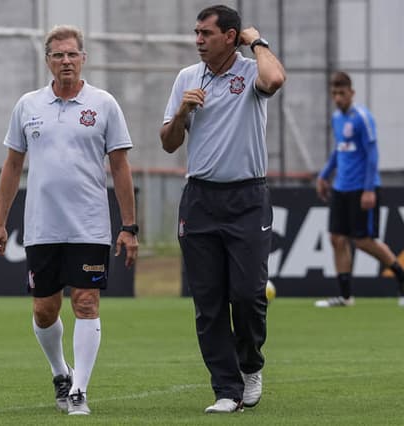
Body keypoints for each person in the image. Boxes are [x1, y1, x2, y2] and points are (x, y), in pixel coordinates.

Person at [0, 25, 138, 416]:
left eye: (72, 54)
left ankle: (79, 391)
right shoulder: (28, 105)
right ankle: (60, 372)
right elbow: (12, 166)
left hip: (89, 225)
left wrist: (129, 226)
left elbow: (120, 168)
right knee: (44, 310)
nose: (66, 61)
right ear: (48, 61)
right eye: (58, 55)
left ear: (83, 58)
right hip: (42, 227)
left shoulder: (103, 104)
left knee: (86, 303)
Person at [159, 5, 285, 414]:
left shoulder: (251, 72)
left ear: (230, 37)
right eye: (196, 33)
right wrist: (182, 112)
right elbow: (167, 142)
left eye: (206, 34)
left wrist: (258, 41)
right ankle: (226, 389)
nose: (198, 40)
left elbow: (275, 79)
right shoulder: (186, 79)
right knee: (208, 301)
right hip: (199, 200)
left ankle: (250, 365)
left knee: (247, 294)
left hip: (247, 198)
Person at [315, 71, 404, 308]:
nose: (338, 98)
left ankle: (401, 278)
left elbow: (372, 155)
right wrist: (324, 176)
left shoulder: (363, 118)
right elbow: (339, 150)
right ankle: (345, 296)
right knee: (336, 239)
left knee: (363, 241)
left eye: (342, 93)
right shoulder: (336, 118)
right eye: (334, 93)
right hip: (340, 187)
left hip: (362, 188)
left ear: (351, 93)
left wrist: (368, 190)